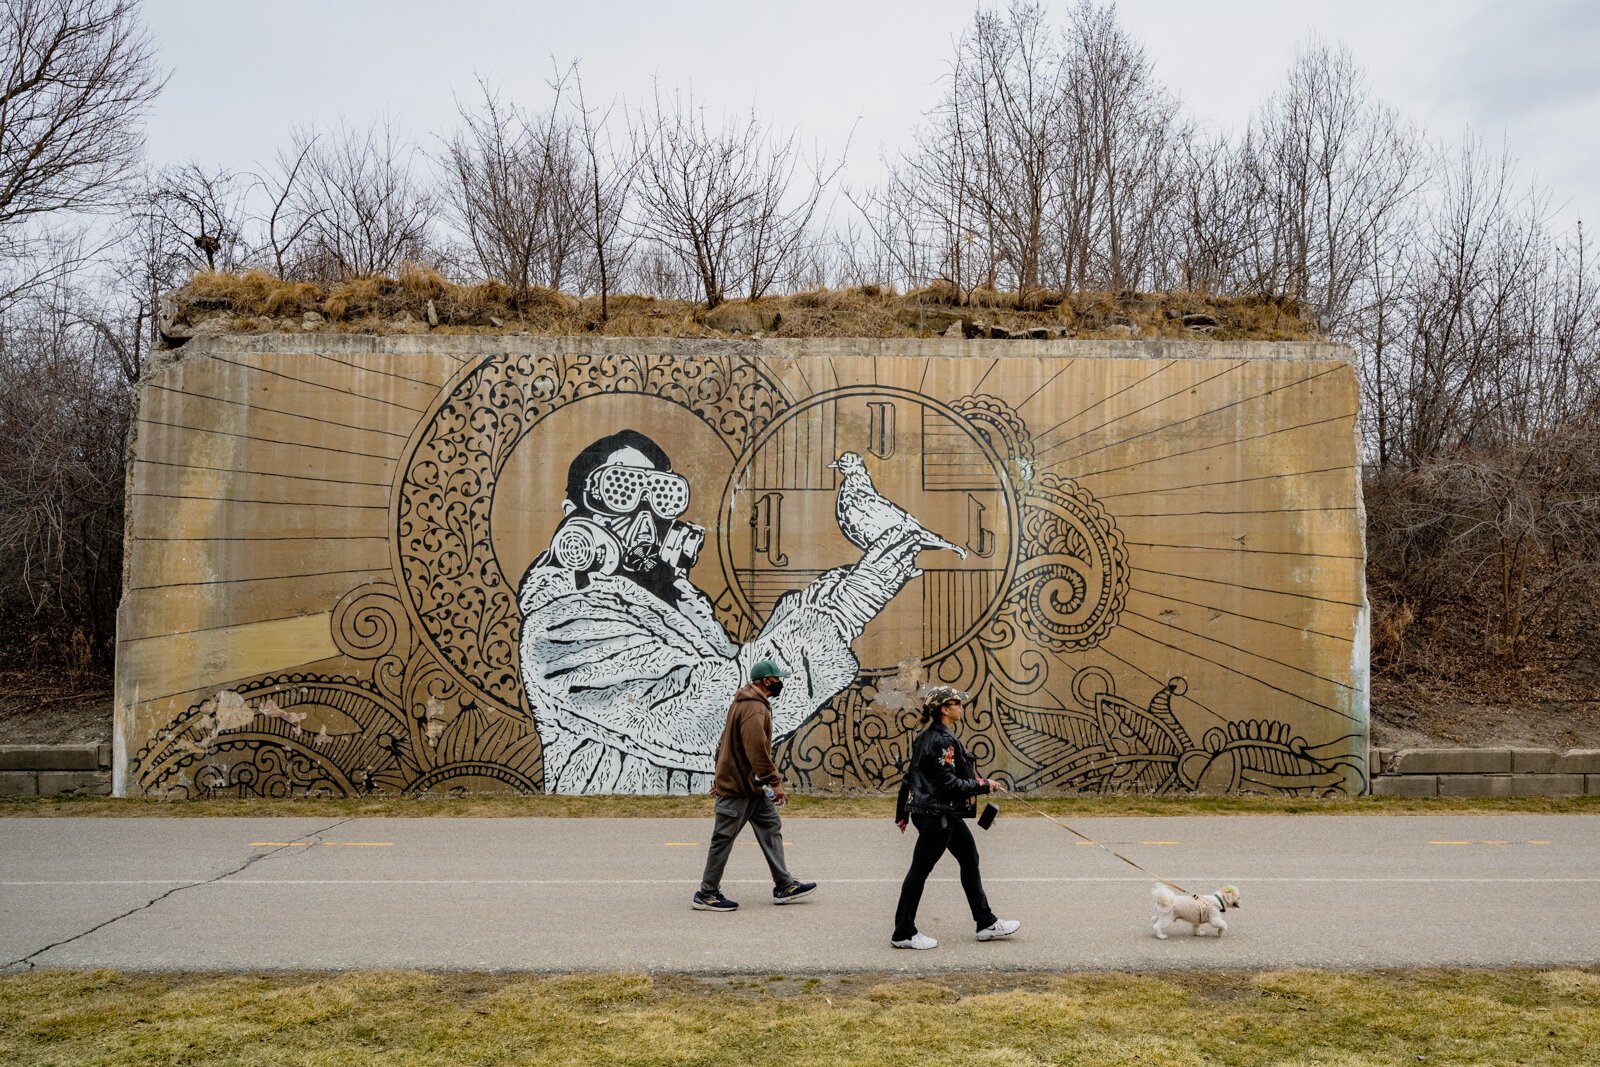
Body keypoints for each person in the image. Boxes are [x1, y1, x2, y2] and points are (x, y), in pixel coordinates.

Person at [518, 430, 940, 793]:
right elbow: (704, 709)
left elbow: (741, 672)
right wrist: (846, 609)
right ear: (575, 518)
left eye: (662, 496)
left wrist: (829, 599)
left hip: (698, 818)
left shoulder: (678, 609)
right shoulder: (560, 624)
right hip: (613, 842)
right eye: (621, 492)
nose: (645, 520)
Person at [890, 685, 1020, 949]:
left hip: (940, 813)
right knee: (919, 871)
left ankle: (986, 922)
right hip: (938, 815)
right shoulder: (941, 741)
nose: (961, 707)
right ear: (945, 709)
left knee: (969, 858)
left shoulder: (927, 737)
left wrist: (902, 811)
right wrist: (984, 784)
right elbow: (949, 784)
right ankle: (903, 932)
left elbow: (910, 776)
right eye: (957, 703)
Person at [692, 659, 817, 912]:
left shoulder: (745, 703)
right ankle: (707, 893)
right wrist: (774, 782)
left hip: (751, 788)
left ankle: (784, 885)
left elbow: (722, 742)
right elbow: (756, 750)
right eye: (778, 678)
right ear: (767, 681)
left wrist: (719, 775)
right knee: (723, 839)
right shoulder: (754, 708)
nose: (781, 682)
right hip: (739, 787)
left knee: (770, 825)